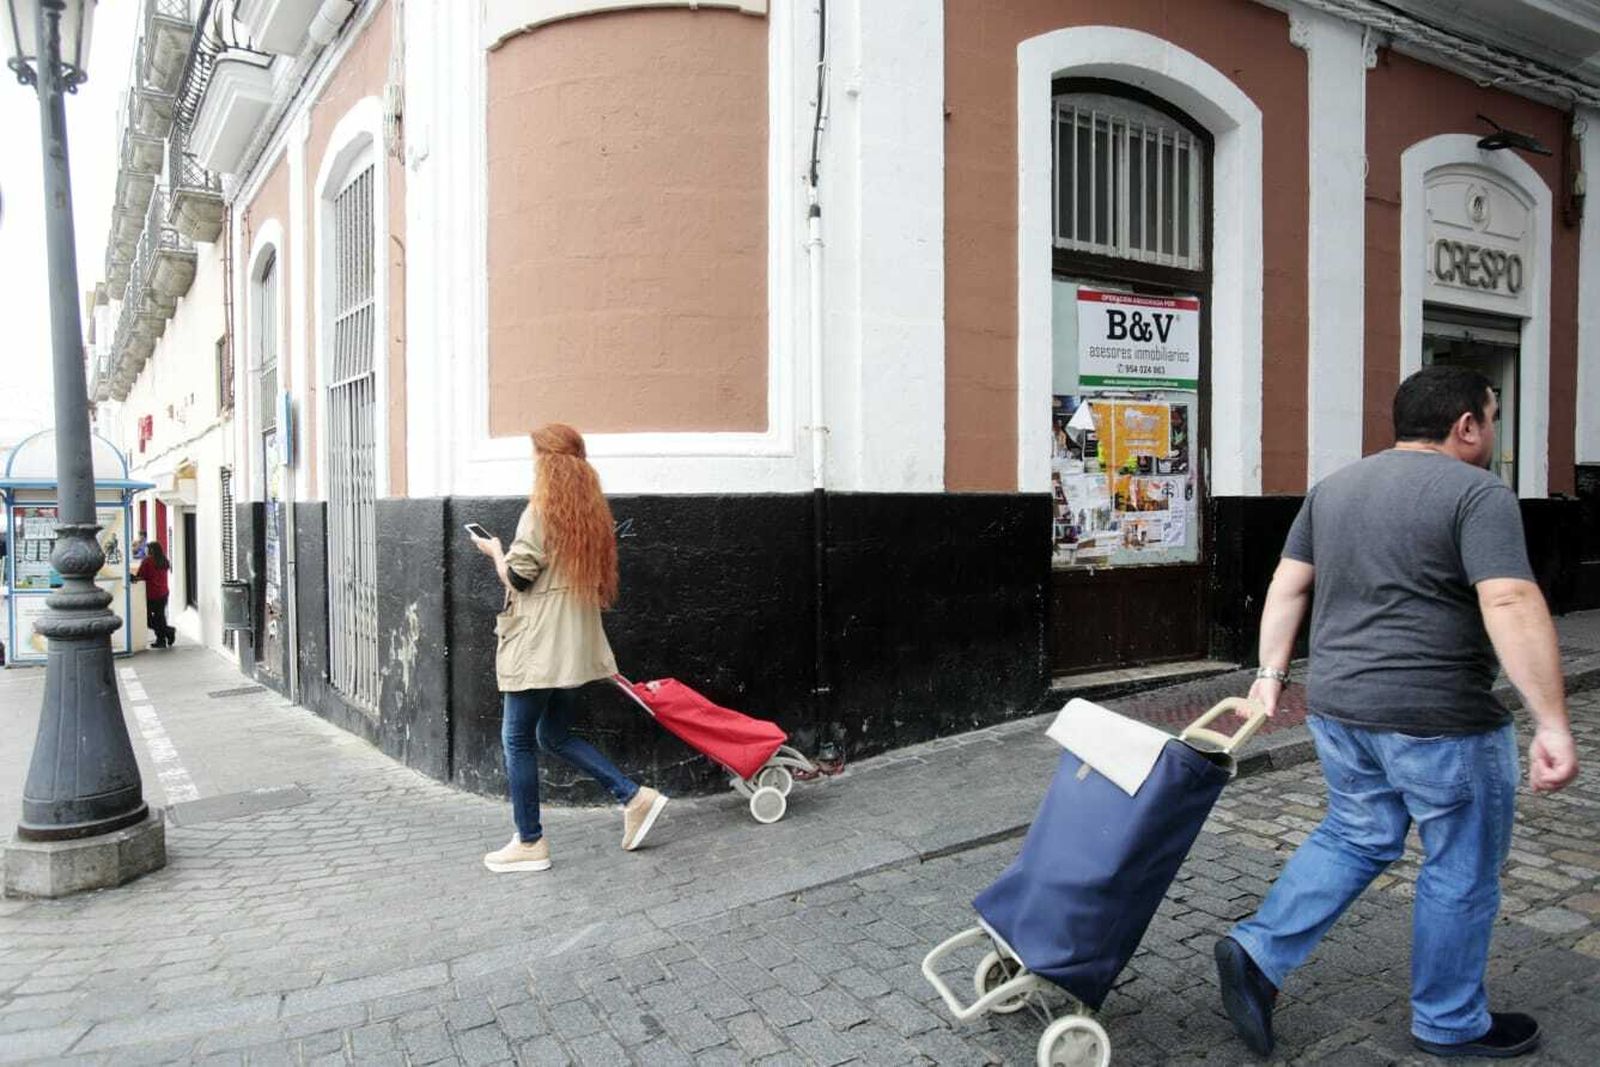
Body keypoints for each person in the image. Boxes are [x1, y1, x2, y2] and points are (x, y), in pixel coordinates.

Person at [1214, 365, 1580, 1060]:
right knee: (1461, 867)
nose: (1494, 430)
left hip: (1341, 706)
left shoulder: (1336, 488)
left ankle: (1258, 952)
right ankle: (1449, 1021)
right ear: (1466, 424)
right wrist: (1552, 722)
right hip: (1439, 715)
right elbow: (1509, 601)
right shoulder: (1479, 493)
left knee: (1356, 834)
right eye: (1493, 415)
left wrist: (1270, 675)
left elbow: (1287, 585)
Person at [469, 423, 668, 873]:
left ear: (548, 463)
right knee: (553, 734)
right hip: (574, 644)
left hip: (540, 644)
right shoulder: (591, 514)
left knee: (517, 738)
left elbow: (519, 577)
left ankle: (530, 841)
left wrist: (494, 552)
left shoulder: (540, 511)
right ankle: (633, 796)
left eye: (537, 457)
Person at [134, 541, 177, 649]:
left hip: (152, 594)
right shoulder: (164, 561)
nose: (146, 551)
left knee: (148, 619)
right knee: (160, 617)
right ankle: (161, 640)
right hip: (163, 592)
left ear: (151, 550)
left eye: (147, 549)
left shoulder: (147, 561)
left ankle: (168, 631)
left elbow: (140, 576)